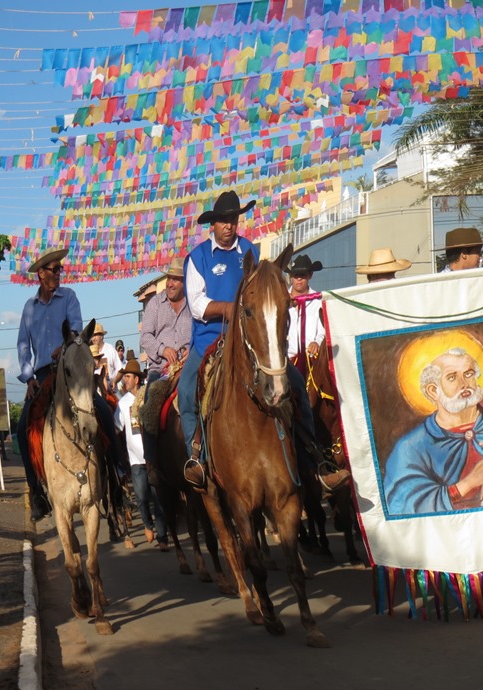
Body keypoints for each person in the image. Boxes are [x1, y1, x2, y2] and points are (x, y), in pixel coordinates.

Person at [179, 191, 349, 491]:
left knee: (296, 385)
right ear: (213, 225)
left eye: (234, 219)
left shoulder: (251, 252)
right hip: (209, 340)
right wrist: (229, 309)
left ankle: (315, 459)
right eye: (223, 221)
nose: (230, 226)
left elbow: (269, 288)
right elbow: (196, 305)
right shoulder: (197, 258)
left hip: (252, 339)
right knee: (185, 391)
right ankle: (198, 459)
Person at [383, 346, 483, 516]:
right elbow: (402, 505)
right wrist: (467, 484)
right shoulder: (411, 447)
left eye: (468, 374)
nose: (464, 384)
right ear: (433, 391)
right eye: (452, 377)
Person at [16, 247, 81, 521]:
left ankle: (116, 473)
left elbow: (76, 330)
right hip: (42, 376)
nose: (58, 274)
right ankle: (37, 493)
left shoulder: (69, 297)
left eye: (60, 269)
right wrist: (29, 377)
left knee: (99, 409)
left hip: (68, 369)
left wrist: (64, 346)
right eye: (54, 270)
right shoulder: (28, 309)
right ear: (41, 275)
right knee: (22, 429)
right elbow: (22, 345)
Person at [114, 356, 168, 550]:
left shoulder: (148, 396)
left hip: (152, 456)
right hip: (135, 459)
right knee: (141, 496)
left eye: (128, 376)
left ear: (137, 379)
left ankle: (162, 537)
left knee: (157, 496)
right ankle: (147, 524)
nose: (125, 380)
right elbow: (117, 428)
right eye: (124, 377)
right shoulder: (122, 404)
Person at [140, 256, 192, 385]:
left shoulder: (193, 304)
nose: (169, 283)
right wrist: (163, 350)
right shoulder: (155, 303)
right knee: (151, 402)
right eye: (169, 278)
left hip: (187, 367)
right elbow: (145, 337)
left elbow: (202, 332)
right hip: (159, 369)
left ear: (185, 282)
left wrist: (193, 349)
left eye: (175, 279)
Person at [286, 254, 325, 373]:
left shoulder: (318, 301)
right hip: (286, 362)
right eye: (295, 275)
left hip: (311, 362)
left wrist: (317, 342)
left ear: (310, 275)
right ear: (291, 277)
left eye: (302, 275)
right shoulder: (281, 302)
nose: (298, 279)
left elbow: (323, 330)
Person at [90, 322, 123, 394]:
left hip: (110, 393)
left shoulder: (110, 349)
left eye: (95, 335)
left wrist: (114, 381)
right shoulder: (88, 351)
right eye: (92, 335)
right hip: (94, 393)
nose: (93, 338)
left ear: (101, 336)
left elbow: (120, 370)